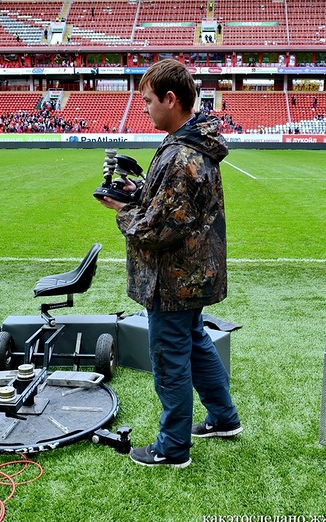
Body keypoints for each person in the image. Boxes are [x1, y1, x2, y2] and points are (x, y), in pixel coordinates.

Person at [97, 59, 242, 468]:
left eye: (147, 101)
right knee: (195, 344)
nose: (144, 107)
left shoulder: (182, 155)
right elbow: (172, 206)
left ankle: (172, 447)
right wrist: (139, 192)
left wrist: (121, 209)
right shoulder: (189, 143)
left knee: (170, 359)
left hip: (174, 278)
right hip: (192, 274)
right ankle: (223, 418)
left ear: (171, 99)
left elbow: (159, 230)